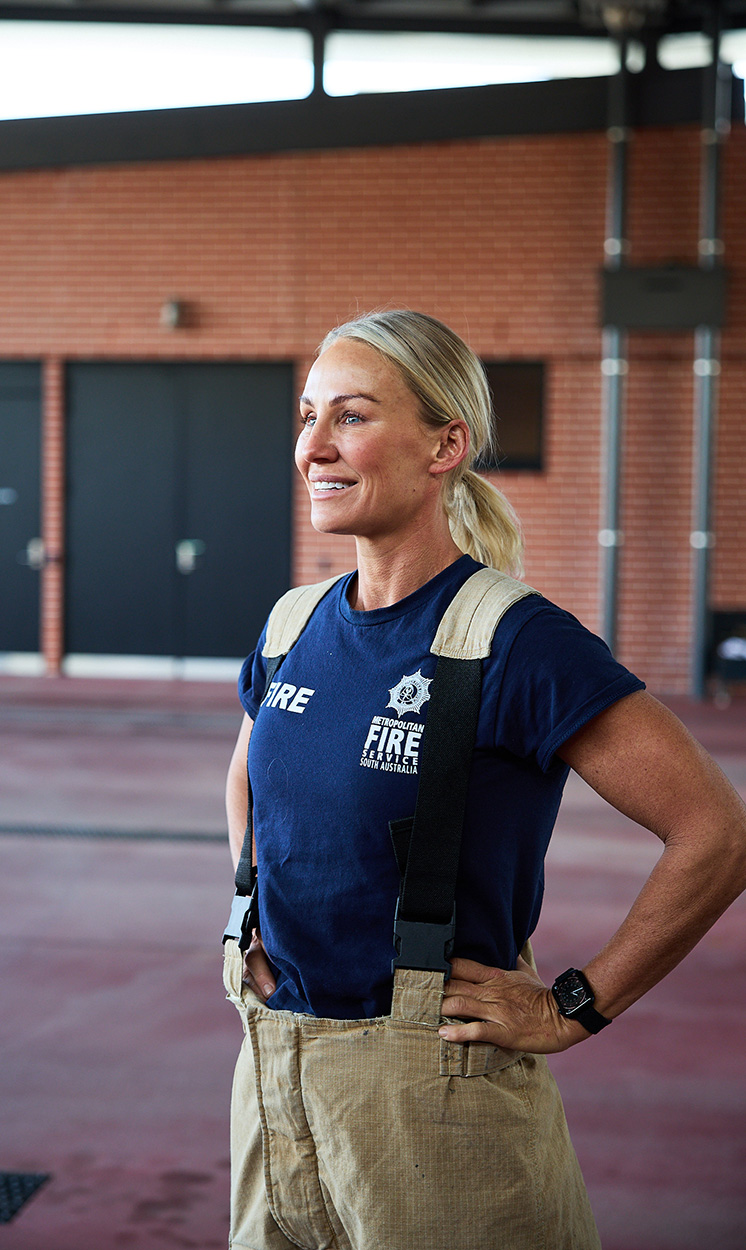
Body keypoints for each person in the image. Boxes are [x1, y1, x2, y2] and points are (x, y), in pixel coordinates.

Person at [223, 309, 746, 1250]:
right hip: (273, 1074)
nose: (314, 448)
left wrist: (574, 1006)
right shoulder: (294, 623)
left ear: (446, 444)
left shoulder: (515, 641)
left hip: (435, 1100)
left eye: (350, 417)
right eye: (308, 417)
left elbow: (717, 831)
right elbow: (252, 773)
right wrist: (246, 910)